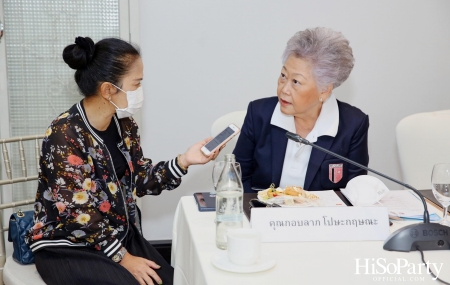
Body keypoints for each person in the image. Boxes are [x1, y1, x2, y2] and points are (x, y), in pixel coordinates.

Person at [25, 36, 219, 285]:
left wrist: (185, 161)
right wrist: (124, 258)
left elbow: (140, 180)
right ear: (108, 89)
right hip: (68, 244)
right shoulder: (64, 133)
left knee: (175, 281)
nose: (140, 91)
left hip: (118, 234)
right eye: (136, 84)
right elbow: (77, 212)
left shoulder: (125, 125)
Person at [234, 27, 369, 193]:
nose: (284, 89)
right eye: (283, 76)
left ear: (324, 91)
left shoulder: (353, 124)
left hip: (321, 217)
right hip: (263, 212)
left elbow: (355, 190)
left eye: (296, 82)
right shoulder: (259, 114)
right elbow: (237, 177)